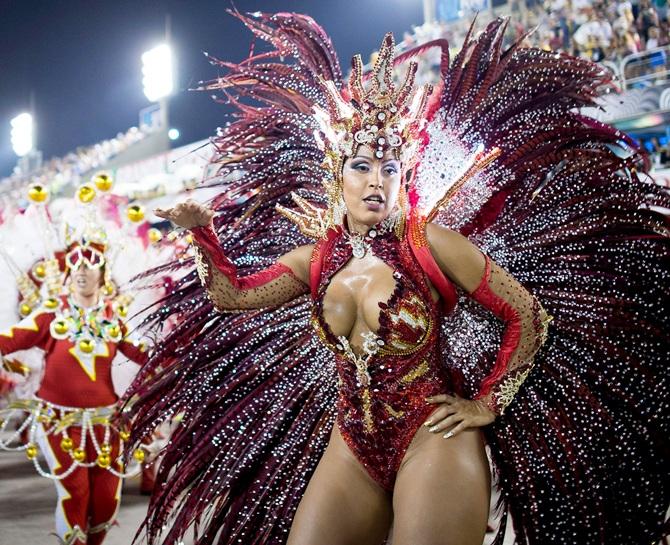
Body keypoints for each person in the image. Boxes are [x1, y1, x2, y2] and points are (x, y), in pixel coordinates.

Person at [125, 12, 669, 545]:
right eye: (362, 166)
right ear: (337, 174)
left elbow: (525, 312)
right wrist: (204, 236)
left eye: (390, 169)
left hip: (432, 438)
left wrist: (488, 400)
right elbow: (233, 296)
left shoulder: (427, 244)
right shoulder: (315, 259)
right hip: (353, 441)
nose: (376, 181)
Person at [0, 183, 150, 545]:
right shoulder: (50, 316)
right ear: (67, 273)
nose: (82, 272)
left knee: (105, 502)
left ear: (103, 273)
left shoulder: (116, 321)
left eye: (91, 265)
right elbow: (10, 340)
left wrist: (184, 357)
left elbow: (146, 356)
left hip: (107, 424)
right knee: (76, 493)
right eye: (76, 266)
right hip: (61, 423)